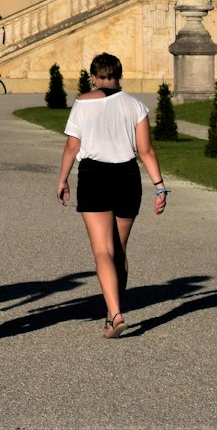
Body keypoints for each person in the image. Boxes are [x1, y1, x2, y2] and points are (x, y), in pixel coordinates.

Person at [56, 51, 168, 338]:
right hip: (127, 176)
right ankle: (111, 313)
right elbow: (146, 151)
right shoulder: (136, 106)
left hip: (94, 175)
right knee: (119, 249)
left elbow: (72, 147)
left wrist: (63, 179)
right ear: (120, 76)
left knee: (103, 250)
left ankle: (115, 313)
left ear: (94, 77)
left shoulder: (82, 103)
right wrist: (159, 186)